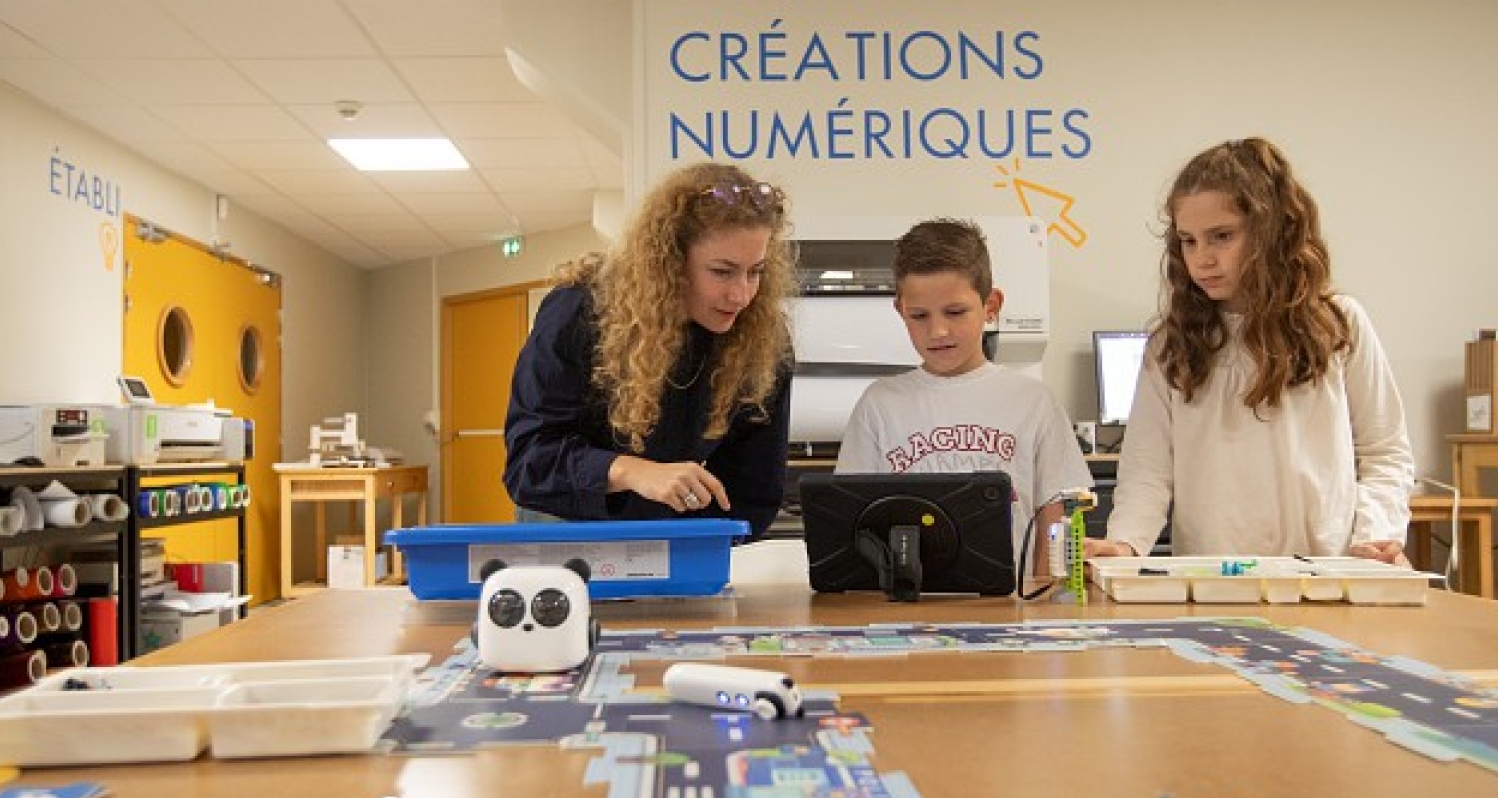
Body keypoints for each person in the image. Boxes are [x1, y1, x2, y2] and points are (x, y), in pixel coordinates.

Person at [1091, 138, 1414, 563]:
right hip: (1212, 585)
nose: (1201, 259)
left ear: (1270, 231)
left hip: (1325, 576)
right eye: (1188, 241)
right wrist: (1125, 543)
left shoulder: (1337, 325)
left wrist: (1374, 536)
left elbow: (1385, 450)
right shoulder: (1170, 345)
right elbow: (1146, 472)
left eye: (1221, 237)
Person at [504, 162, 795, 538]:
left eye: (754, 271)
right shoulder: (579, 312)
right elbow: (530, 463)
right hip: (564, 526)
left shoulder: (762, 340)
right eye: (722, 272)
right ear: (671, 263)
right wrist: (629, 471)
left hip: (670, 538)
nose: (740, 294)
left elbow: (751, 493)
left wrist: (688, 553)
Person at [836, 218, 1093, 582]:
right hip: (906, 616)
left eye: (955, 313)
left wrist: (1047, 606)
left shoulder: (1034, 402)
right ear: (900, 311)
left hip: (1009, 614)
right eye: (919, 316)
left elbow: (1059, 515)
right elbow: (852, 519)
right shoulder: (879, 404)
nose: (938, 331)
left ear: (991, 305)